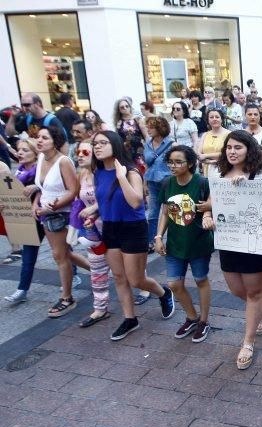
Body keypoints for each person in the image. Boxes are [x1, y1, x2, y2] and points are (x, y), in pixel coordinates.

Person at [201, 130, 262, 369]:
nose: (232, 152)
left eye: (238, 147)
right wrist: (207, 215)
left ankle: (248, 342)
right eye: (229, 147)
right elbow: (210, 201)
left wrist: (248, 188)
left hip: (256, 242)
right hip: (229, 240)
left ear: (249, 149)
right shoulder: (218, 171)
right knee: (237, 290)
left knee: (253, 293)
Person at [92, 130, 175, 340]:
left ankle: (163, 293)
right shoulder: (98, 172)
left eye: (103, 143)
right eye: (95, 144)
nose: (98, 147)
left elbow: (136, 201)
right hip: (110, 227)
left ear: (115, 145)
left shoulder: (130, 172)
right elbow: (104, 199)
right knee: (119, 277)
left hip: (133, 228)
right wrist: (93, 212)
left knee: (136, 279)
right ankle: (130, 319)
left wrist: (121, 177)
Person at [154, 145, 215, 343]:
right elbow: (164, 212)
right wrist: (158, 237)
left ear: (190, 163)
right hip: (175, 243)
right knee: (174, 283)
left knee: (200, 280)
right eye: (170, 162)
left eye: (178, 162)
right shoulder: (167, 183)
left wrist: (208, 212)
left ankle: (204, 321)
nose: (173, 166)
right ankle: (191, 317)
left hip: (198, 242)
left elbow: (211, 205)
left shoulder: (202, 182)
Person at [33, 125, 89, 317]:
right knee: (65, 254)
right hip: (45, 212)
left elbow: (73, 190)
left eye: (44, 138)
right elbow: (42, 187)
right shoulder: (41, 157)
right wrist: (35, 204)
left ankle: (67, 297)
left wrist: (53, 206)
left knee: (60, 255)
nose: (39, 141)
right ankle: (100, 270)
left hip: (60, 213)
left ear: (55, 142)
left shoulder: (63, 161)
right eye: (38, 137)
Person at [73, 140, 111, 328]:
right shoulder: (81, 174)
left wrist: (95, 209)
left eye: (84, 152)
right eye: (78, 152)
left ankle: (146, 290)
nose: (79, 155)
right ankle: (100, 308)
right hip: (92, 229)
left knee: (127, 270)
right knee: (96, 268)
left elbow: (111, 198)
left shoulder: (103, 174)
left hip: (113, 225)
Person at [2, 138, 45, 305]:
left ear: (35, 154)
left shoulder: (41, 171)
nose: (20, 153)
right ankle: (22, 289)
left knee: (62, 252)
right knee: (28, 255)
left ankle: (74, 275)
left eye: (25, 150)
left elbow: (47, 186)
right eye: (19, 149)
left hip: (45, 214)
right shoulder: (18, 172)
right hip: (29, 219)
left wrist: (36, 187)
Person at [143, 116, 174, 246]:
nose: (148, 130)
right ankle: (152, 241)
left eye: (151, 127)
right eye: (148, 127)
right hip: (152, 181)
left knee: (171, 211)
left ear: (159, 128)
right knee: (153, 212)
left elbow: (174, 164)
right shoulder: (147, 144)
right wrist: (144, 183)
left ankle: (173, 238)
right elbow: (147, 165)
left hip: (167, 180)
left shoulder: (170, 144)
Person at [195, 109, 230, 175]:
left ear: (221, 119)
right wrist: (211, 162)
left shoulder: (229, 134)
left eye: (217, 117)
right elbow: (199, 154)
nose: (214, 119)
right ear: (208, 120)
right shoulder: (205, 134)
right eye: (211, 117)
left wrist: (205, 156)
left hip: (222, 168)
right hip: (206, 169)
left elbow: (226, 153)